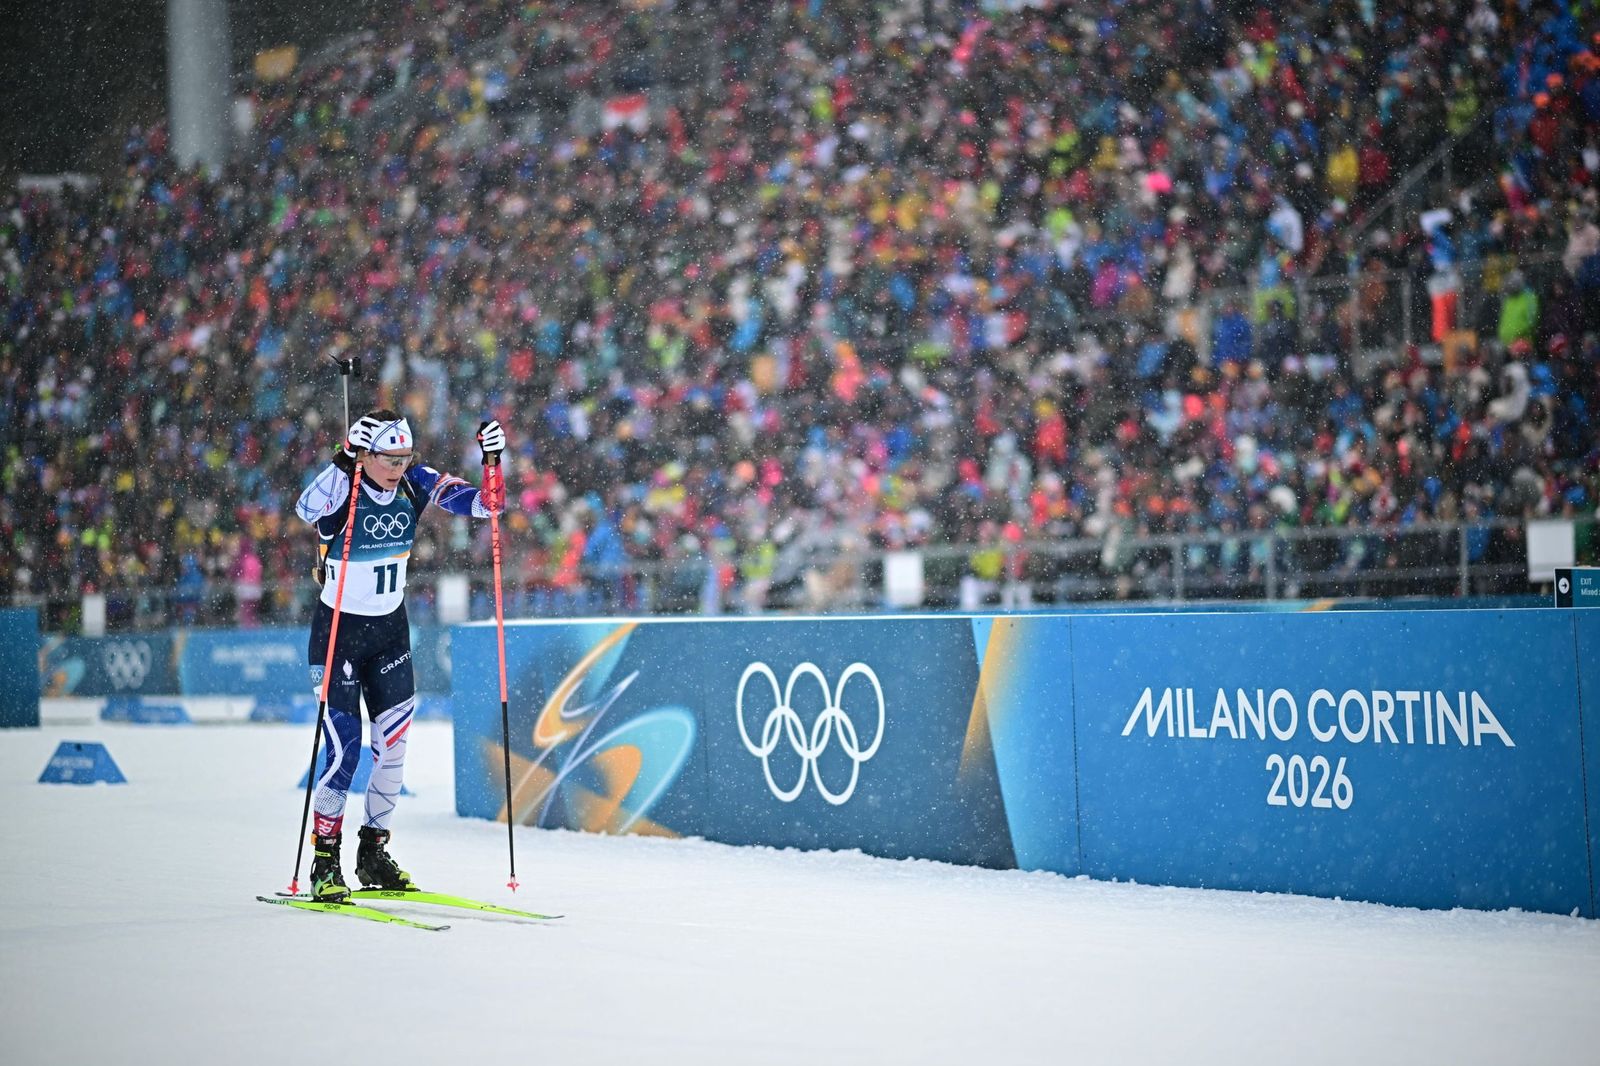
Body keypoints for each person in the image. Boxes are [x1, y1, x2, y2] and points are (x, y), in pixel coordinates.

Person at [293, 409, 506, 900]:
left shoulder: (415, 481)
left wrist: (492, 460)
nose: (397, 465)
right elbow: (305, 510)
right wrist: (343, 458)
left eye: (404, 456)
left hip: (390, 632)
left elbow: (485, 507)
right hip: (338, 634)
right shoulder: (341, 488)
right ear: (365, 454)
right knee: (344, 750)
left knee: (392, 750)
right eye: (388, 457)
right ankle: (325, 860)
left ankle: (372, 851)